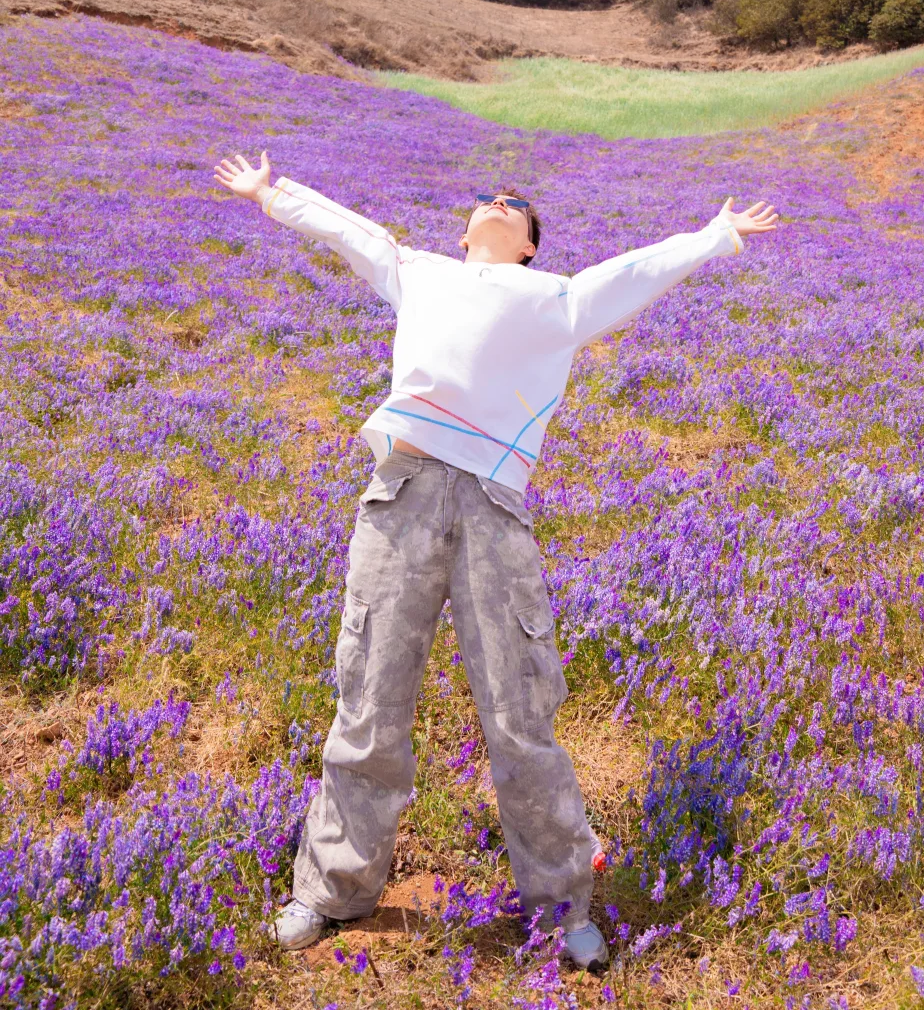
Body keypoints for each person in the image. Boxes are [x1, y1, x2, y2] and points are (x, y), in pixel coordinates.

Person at [213, 150, 779, 972]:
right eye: (486, 198)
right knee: (368, 697)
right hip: (400, 492)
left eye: (516, 205)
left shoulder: (556, 298)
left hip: (492, 507)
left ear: (529, 247)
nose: (498, 202)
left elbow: (634, 273)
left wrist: (717, 234)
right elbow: (354, 234)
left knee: (521, 716)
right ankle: (333, 890)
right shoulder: (422, 272)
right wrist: (272, 194)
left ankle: (560, 906)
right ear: (468, 230)